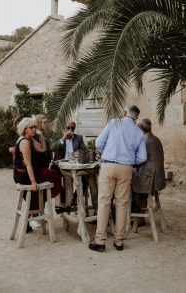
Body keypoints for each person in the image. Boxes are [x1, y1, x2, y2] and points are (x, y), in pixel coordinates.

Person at [89, 105, 147, 252]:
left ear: (125, 113)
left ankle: (100, 241)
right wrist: (129, 159)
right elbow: (142, 157)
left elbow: (98, 143)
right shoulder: (139, 132)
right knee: (122, 204)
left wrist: (108, 152)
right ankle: (119, 241)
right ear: (136, 117)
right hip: (126, 168)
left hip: (108, 165)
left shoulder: (114, 122)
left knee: (104, 202)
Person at [13, 117, 61, 231]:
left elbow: (42, 149)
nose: (34, 129)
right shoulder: (24, 142)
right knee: (54, 174)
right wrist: (33, 182)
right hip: (24, 175)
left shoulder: (30, 139)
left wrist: (41, 137)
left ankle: (34, 216)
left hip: (29, 172)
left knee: (50, 176)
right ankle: (35, 216)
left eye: (35, 127)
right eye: (31, 127)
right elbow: (28, 164)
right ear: (25, 129)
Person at [132, 118, 166, 218]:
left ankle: (138, 215)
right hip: (157, 177)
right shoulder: (155, 138)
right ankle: (138, 212)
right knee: (132, 175)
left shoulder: (145, 141)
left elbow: (138, 160)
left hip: (150, 178)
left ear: (141, 128)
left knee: (127, 182)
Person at [51, 121, 86, 211]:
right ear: (64, 129)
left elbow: (84, 150)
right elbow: (52, 148)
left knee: (85, 178)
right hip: (61, 166)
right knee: (62, 180)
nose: (70, 130)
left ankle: (74, 199)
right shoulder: (61, 138)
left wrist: (79, 153)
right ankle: (64, 203)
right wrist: (64, 138)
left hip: (74, 164)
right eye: (68, 128)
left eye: (72, 128)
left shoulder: (79, 138)